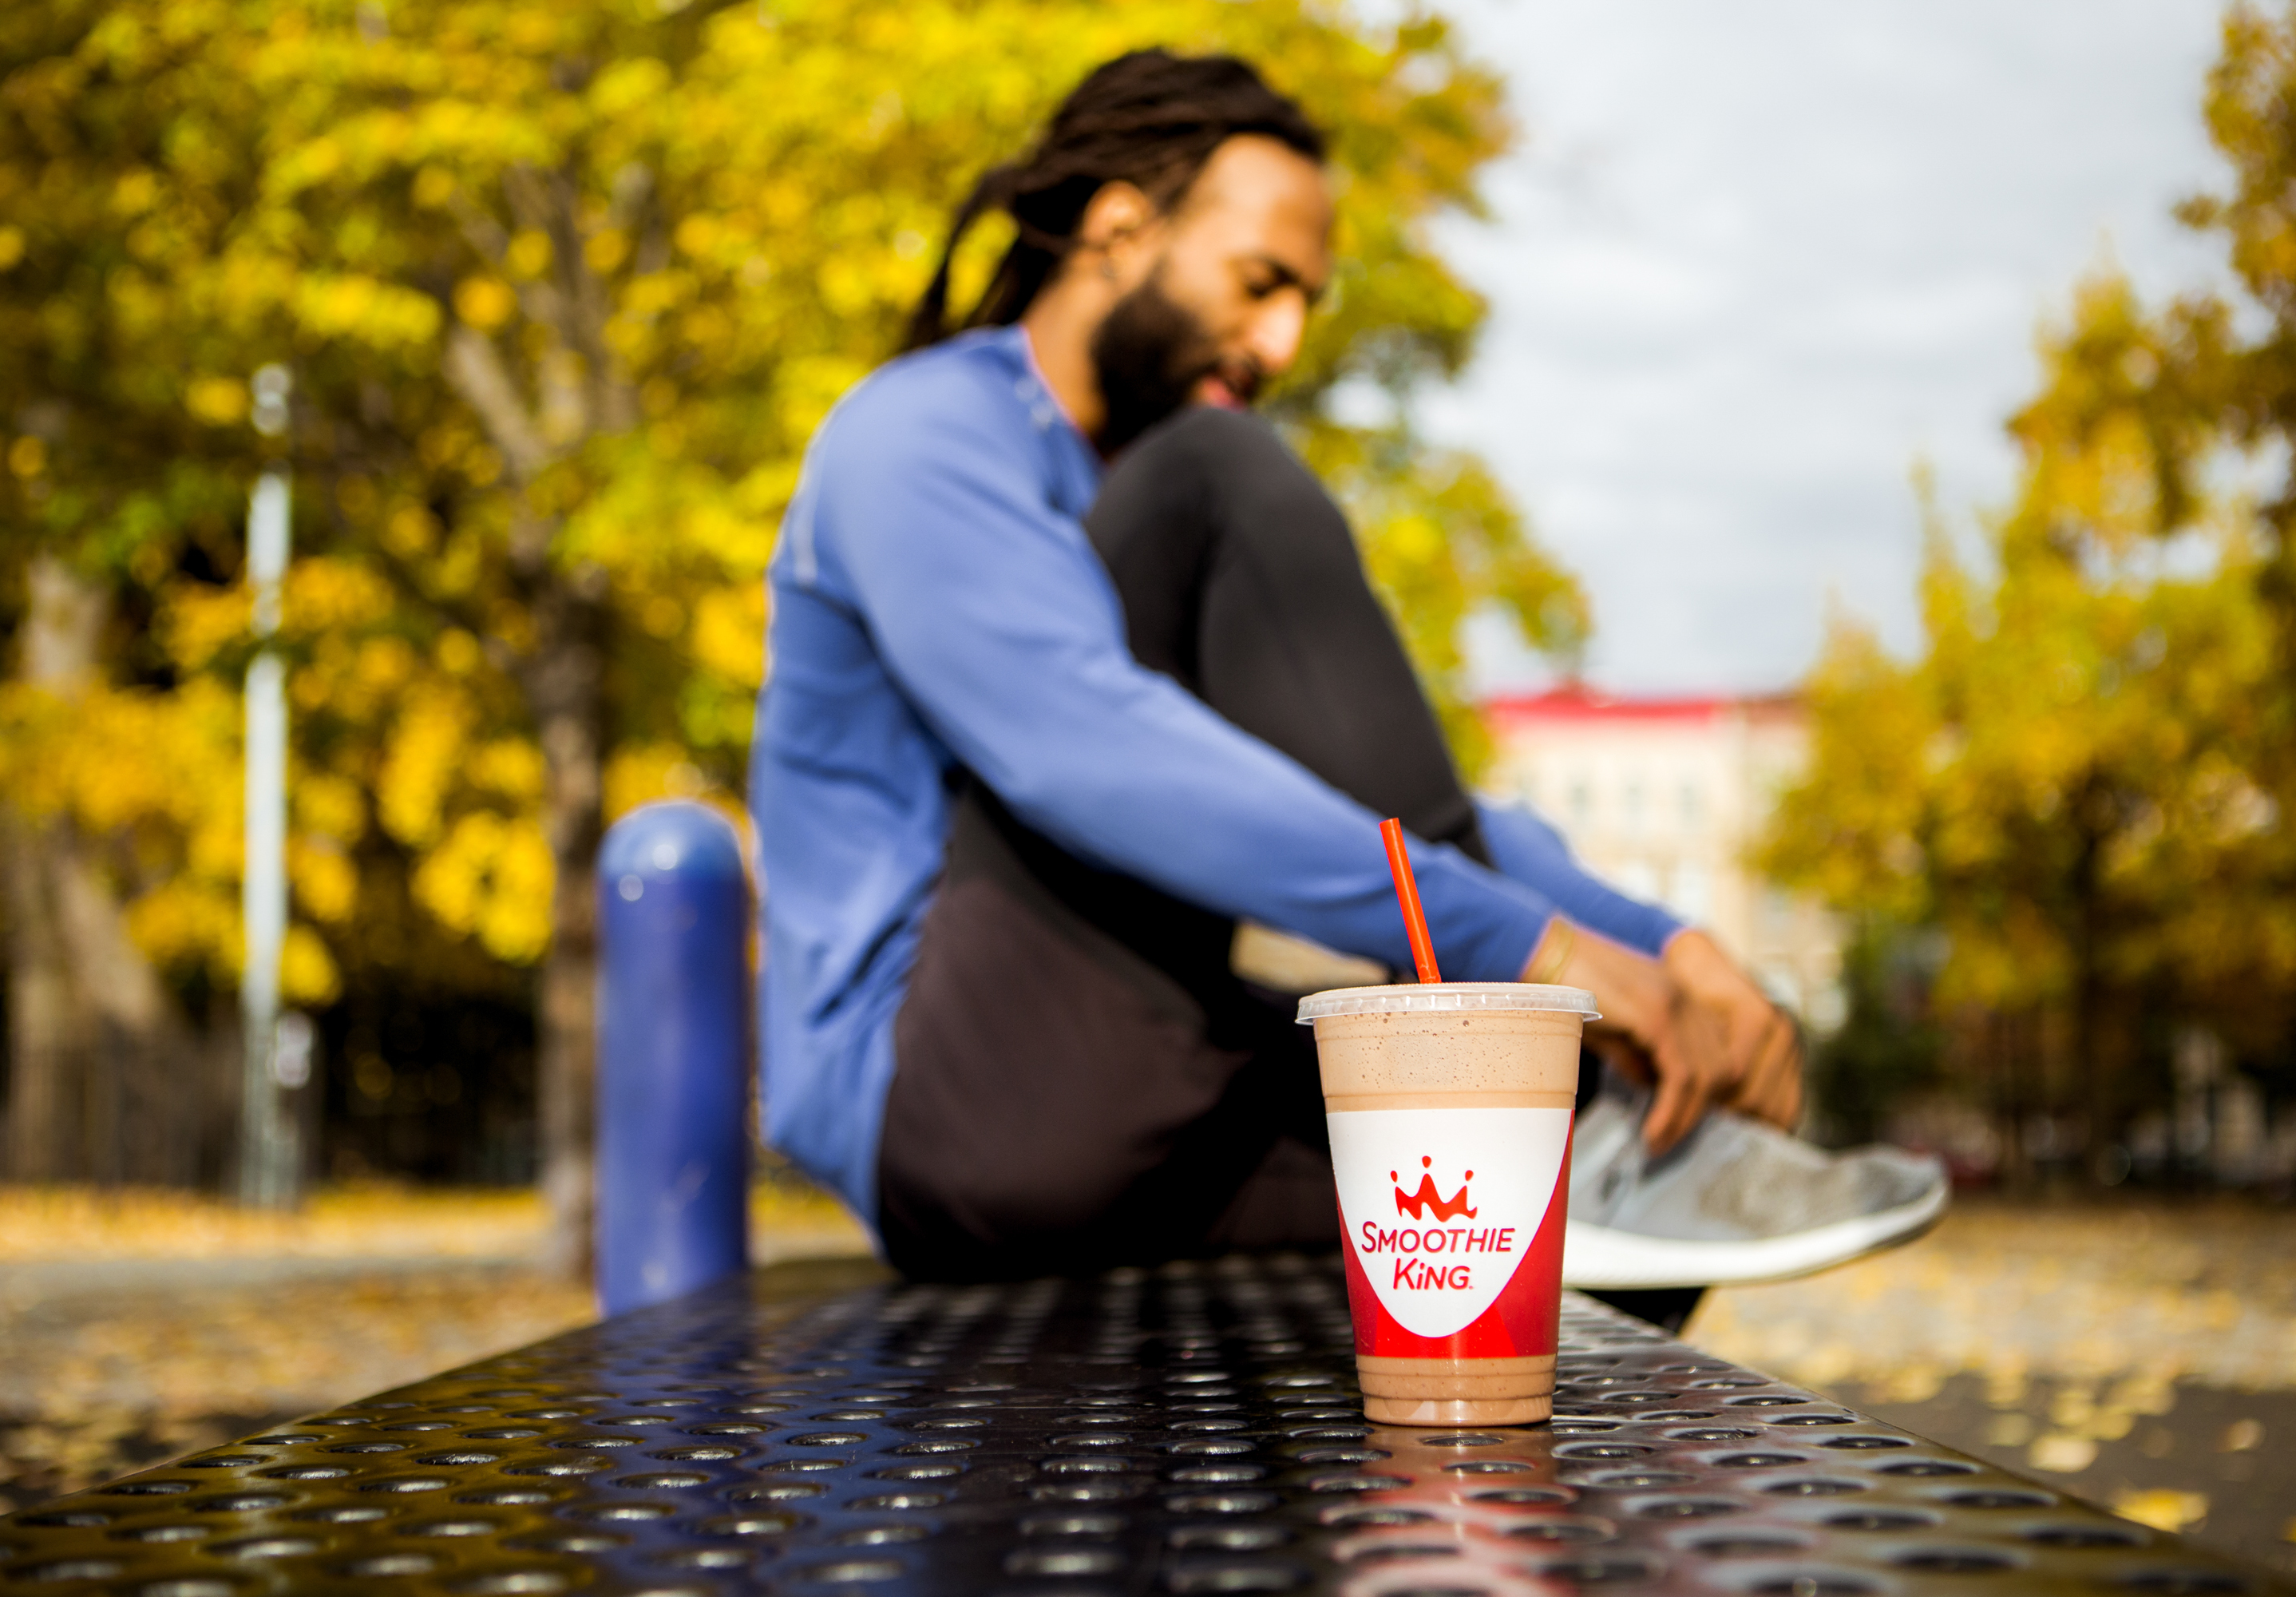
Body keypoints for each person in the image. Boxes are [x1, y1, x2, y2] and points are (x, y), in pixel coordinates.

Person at [750, 50, 1945, 1313]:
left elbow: (1376, 781)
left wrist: (1663, 947)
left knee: (1548, 1200)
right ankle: (1536, 1054)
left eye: (1307, 302)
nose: (1283, 341)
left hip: (1108, 1103)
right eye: (1260, 285)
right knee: (1224, 469)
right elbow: (1088, 751)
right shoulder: (920, 438)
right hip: (944, 1106)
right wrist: (1528, 952)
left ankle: (1555, 1317)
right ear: (1115, 229)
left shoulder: (1120, 487)